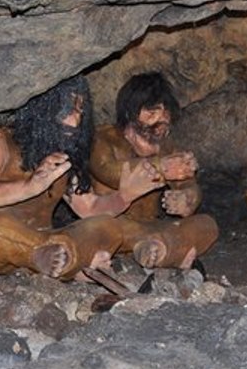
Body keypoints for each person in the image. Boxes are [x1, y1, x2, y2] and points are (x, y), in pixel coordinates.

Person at [0, 77, 166, 280]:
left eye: (81, 110)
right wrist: (31, 185)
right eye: (68, 109)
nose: (76, 120)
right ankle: (66, 263)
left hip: (49, 245)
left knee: (107, 225)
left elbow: (90, 209)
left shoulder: (63, 157)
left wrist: (126, 196)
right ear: (43, 109)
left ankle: (63, 262)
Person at [88, 72, 219, 269]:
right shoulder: (103, 139)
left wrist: (188, 198)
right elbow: (108, 172)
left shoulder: (166, 146)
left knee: (207, 224)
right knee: (112, 228)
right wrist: (162, 168)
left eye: (165, 115)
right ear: (130, 113)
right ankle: (168, 251)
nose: (160, 123)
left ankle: (157, 249)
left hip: (151, 226)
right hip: (114, 225)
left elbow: (188, 182)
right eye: (151, 114)